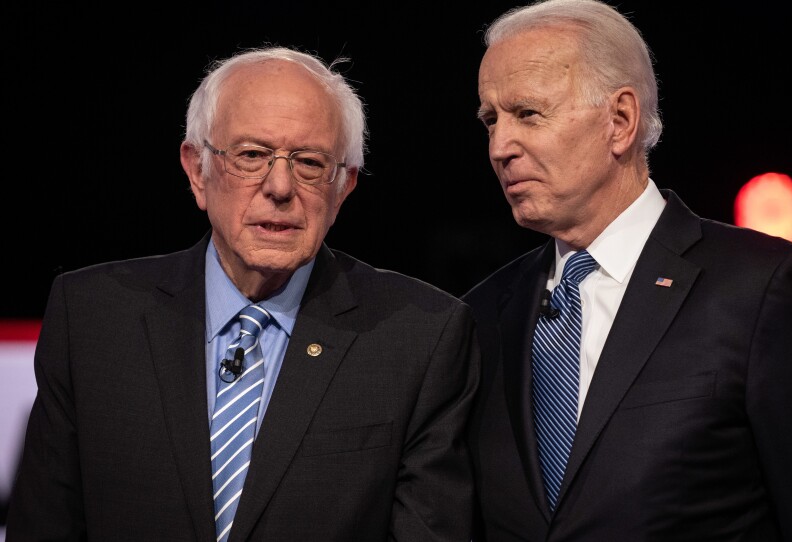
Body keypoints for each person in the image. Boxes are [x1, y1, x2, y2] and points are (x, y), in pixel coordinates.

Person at [6, 46, 479, 541]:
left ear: (343, 187)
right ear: (197, 171)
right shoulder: (91, 318)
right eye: (251, 156)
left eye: (310, 163)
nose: (279, 186)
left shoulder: (420, 338)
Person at [463, 0, 792, 540]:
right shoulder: (480, 315)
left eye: (528, 114)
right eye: (490, 120)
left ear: (620, 121)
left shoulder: (762, 290)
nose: (500, 147)